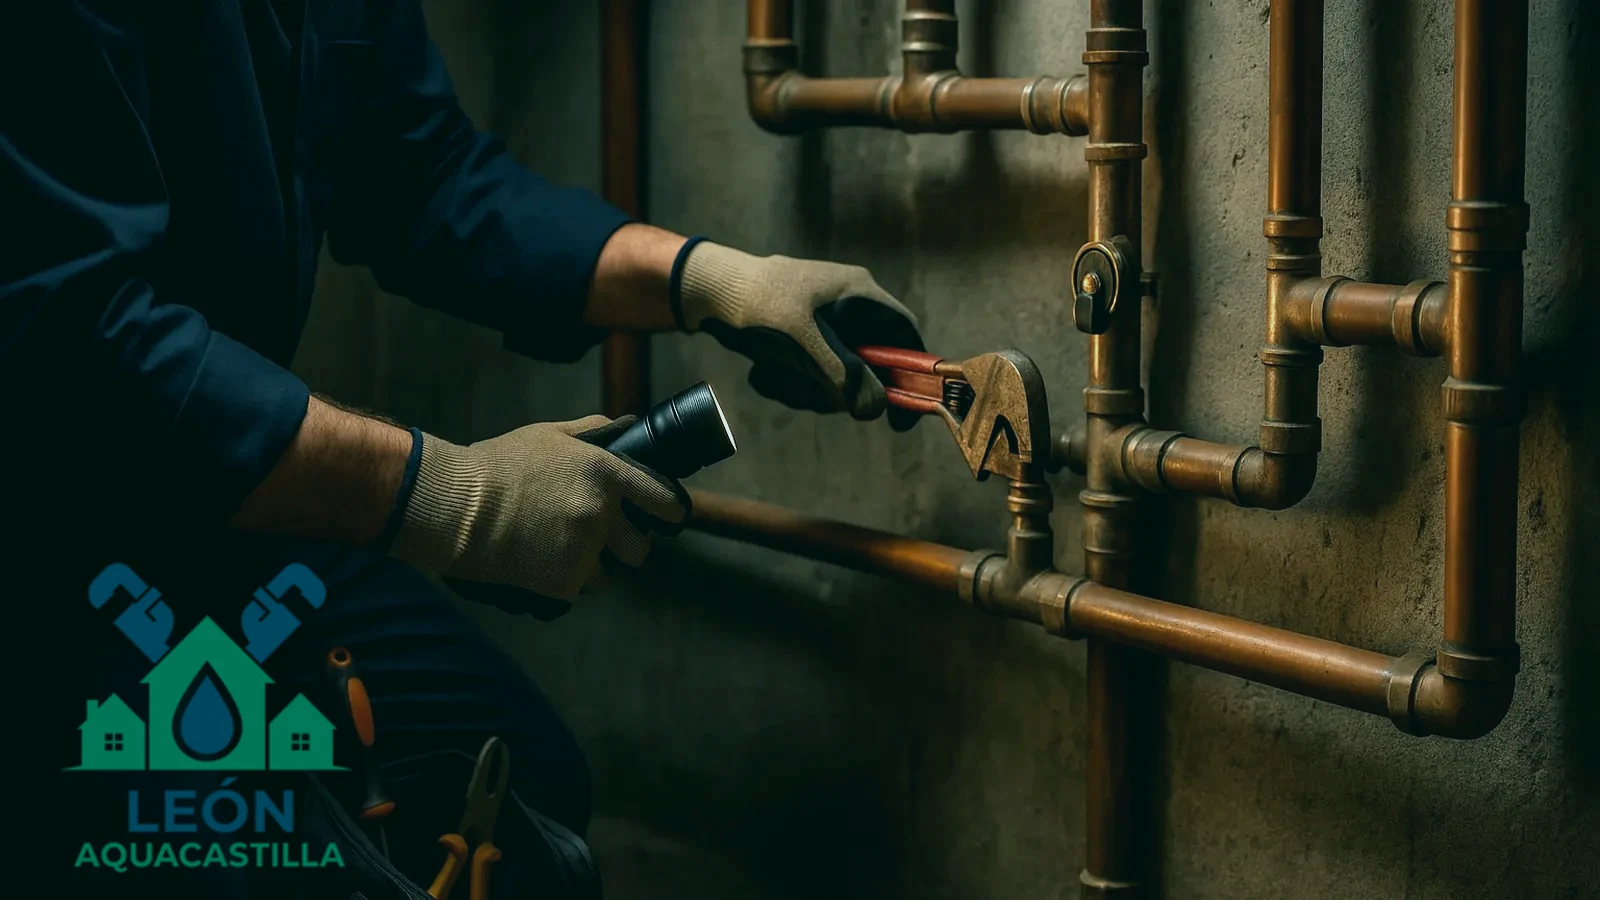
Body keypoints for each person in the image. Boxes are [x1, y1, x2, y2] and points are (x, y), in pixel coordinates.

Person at [4, 0, 921, 892]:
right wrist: (453, 496)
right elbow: (80, 342)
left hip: (224, 522)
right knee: (217, 849)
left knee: (518, 785)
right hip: (55, 548)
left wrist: (707, 279)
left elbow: (426, 174)